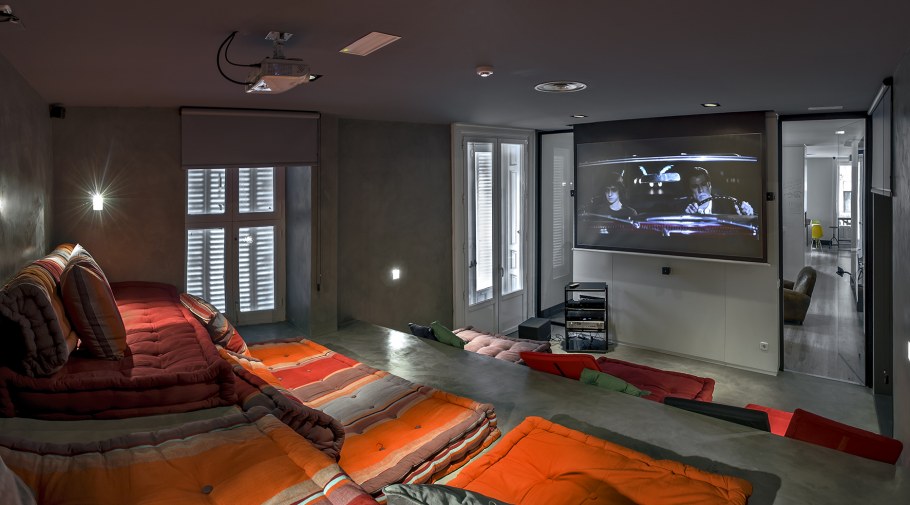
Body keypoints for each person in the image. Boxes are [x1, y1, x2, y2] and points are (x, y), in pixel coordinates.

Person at [683, 167, 754, 216]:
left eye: (703, 184)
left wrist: (749, 214)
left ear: (709, 185)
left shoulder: (729, 204)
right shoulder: (683, 208)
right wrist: (687, 217)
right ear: (690, 189)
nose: (700, 190)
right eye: (695, 186)